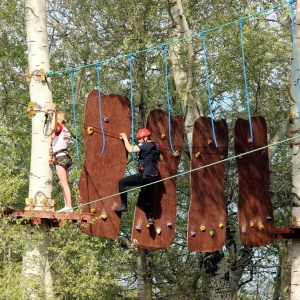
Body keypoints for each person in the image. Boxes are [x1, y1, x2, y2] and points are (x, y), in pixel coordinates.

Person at [115, 128, 163, 225]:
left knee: (122, 182)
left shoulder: (144, 145)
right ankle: (150, 218)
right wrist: (159, 150)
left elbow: (130, 149)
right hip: (154, 177)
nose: (140, 141)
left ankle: (124, 205)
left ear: (145, 138)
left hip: (145, 175)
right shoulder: (155, 146)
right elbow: (161, 159)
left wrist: (125, 138)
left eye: (140, 139)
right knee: (146, 196)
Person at [50, 110, 73, 213]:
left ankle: (69, 206)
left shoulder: (59, 127)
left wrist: (52, 115)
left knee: (64, 183)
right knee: (63, 183)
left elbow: (52, 128)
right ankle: (66, 205)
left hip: (60, 156)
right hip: (65, 155)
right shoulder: (66, 130)